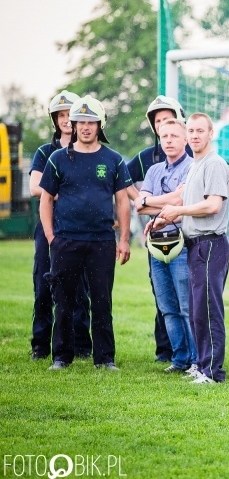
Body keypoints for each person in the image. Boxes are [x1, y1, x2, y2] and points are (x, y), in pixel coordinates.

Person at [129, 96, 229, 364]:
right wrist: (163, 210)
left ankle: (203, 365)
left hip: (200, 242)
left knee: (196, 307)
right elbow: (145, 205)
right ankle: (188, 362)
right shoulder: (160, 168)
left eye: (196, 131)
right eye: (163, 134)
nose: (169, 139)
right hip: (174, 242)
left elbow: (207, 203)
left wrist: (168, 207)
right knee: (176, 308)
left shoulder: (205, 164)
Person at [39, 95, 133, 371]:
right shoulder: (58, 159)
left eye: (91, 122)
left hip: (102, 241)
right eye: (80, 122)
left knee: (102, 301)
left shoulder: (113, 159)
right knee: (64, 301)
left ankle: (104, 359)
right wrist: (50, 237)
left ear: (100, 125)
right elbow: (45, 198)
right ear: (73, 124)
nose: (85, 127)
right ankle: (61, 357)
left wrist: (124, 239)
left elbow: (123, 201)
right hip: (65, 240)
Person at [151, 113, 229, 384]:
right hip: (194, 245)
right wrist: (163, 217)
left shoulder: (215, 164)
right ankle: (201, 365)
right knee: (197, 310)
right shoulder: (196, 164)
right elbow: (189, 201)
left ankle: (212, 372)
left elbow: (213, 205)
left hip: (210, 244)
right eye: (192, 131)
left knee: (208, 310)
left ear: (211, 134)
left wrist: (178, 211)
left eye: (200, 131)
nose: (195, 135)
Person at [28, 90, 92, 361]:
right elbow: (34, 188)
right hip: (48, 228)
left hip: (80, 229)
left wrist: (57, 190)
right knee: (44, 284)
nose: (67, 120)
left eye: (71, 115)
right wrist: (67, 190)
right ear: (55, 120)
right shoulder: (45, 152)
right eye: (62, 115)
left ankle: (81, 346)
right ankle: (40, 345)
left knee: (80, 289)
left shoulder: (90, 150)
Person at [134, 118, 197, 374]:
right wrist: (164, 202)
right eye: (164, 136)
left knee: (185, 305)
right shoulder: (153, 171)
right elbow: (139, 206)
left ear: (185, 140)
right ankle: (179, 359)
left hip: (182, 244)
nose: (169, 140)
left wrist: (151, 201)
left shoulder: (193, 168)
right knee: (167, 307)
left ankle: (195, 360)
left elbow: (180, 200)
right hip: (155, 245)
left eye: (174, 135)